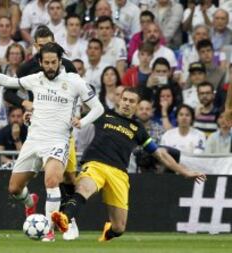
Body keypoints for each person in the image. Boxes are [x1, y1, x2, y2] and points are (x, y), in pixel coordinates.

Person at [0, 42, 104, 242]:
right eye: (46, 63)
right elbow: (8, 81)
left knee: (52, 181)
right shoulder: (36, 79)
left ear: (60, 62)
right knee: (14, 189)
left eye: (54, 62)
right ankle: (29, 201)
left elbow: (98, 108)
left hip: (58, 141)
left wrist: (82, 121)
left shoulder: (74, 81)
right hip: (33, 140)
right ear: (41, 62)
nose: (50, 66)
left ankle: (48, 230)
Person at [51, 88, 206, 241]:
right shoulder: (102, 114)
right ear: (119, 100)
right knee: (84, 188)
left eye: (131, 101)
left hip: (119, 173)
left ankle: (108, 232)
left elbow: (160, 154)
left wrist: (185, 172)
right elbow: (79, 111)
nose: (126, 103)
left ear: (137, 106)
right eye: (124, 99)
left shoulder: (138, 129)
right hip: (96, 164)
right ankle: (65, 218)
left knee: (119, 228)